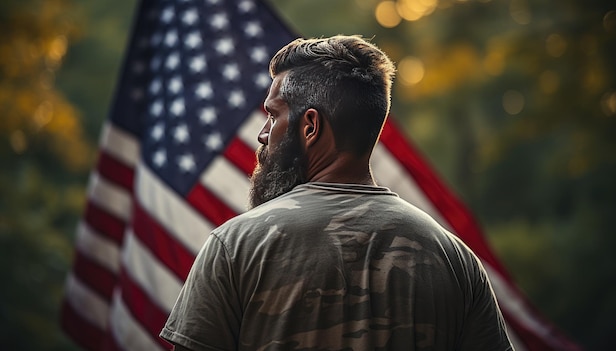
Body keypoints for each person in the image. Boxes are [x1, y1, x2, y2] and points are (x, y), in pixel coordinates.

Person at [160, 35, 514, 351]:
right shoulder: (455, 261)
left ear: (310, 126)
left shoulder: (235, 246)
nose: (263, 133)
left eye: (272, 116)